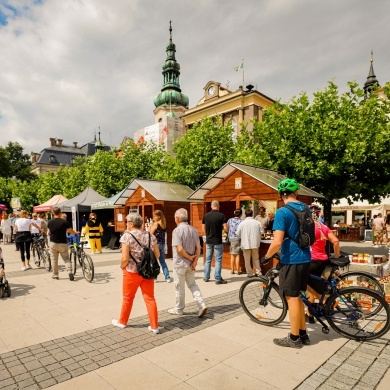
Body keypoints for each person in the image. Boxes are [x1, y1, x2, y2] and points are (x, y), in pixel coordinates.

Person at [261, 178, 311, 348]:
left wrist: (267, 257)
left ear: (281, 195)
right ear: (296, 192)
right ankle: (303, 333)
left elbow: (276, 242)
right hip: (306, 257)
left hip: (291, 259)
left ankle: (294, 338)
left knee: (291, 297)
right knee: (299, 296)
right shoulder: (306, 208)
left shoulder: (282, 212)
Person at [112, 213, 161, 333]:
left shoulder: (126, 237)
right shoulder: (150, 235)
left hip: (131, 272)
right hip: (147, 272)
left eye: (127, 221)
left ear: (131, 224)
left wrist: (122, 266)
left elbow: (125, 258)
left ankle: (122, 322)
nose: (126, 224)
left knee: (128, 298)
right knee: (150, 298)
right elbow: (157, 254)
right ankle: (154, 326)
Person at [167, 208, 208, 317]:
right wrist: (194, 261)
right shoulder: (193, 230)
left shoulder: (177, 231)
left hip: (180, 263)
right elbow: (198, 248)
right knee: (192, 284)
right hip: (190, 264)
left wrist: (189, 258)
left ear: (178, 219)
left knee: (179, 287)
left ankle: (179, 308)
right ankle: (201, 304)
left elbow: (179, 249)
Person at [306, 205, 340, 323]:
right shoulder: (323, 227)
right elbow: (335, 241)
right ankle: (309, 313)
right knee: (313, 286)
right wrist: (336, 256)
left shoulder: (308, 227)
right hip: (323, 261)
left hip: (312, 260)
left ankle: (325, 300)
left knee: (301, 281)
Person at [48, 207, 79, 280]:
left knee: (54, 259)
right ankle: (69, 271)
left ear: (53, 213)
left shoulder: (49, 222)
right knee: (66, 258)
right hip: (63, 243)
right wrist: (75, 232)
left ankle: (55, 275)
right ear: (60, 213)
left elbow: (49, 231)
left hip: (53, 243)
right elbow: (70, 231)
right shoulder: (64, 222)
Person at [202, 200, 228, 284]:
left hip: (209, 240)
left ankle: (206, 277)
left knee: (208, 259)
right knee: (218, 260)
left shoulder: (206, 216)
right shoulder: (222, 216)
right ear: (218, 206)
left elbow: (203, 229)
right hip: (218, 240)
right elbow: (226, 229)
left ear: (211, 206)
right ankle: (217, 278)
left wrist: (207, 235)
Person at [236, 209, 263, 277]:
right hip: (255, 243)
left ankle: (249, 273)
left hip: (245, 244)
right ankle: (258, 272)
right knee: (256, 259)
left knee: (247, 260)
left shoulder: (242, 223)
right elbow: (262, 232)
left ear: (245, 215)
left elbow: (237, 233)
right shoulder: (257, 223)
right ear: (252, 214)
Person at [150, 210, 170, 283]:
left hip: (156, 244)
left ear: (158, 216)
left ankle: (155, 277)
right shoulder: (163, 224)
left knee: (154, 262)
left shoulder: (156, 224)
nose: (153, 217)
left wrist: (150, 225)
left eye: (155, 216)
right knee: (162, 261)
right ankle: (167, 277)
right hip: (162, 244)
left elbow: (150, 234)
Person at [227, 209, 243, 274]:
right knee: (237, 255)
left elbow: (227, 228)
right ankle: (238, 270)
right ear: (241, 214)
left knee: (232, 254)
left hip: (231, 238)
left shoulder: (230, 220)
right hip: (238, 238)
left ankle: (232, 270)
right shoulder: (241, 221)